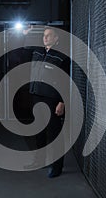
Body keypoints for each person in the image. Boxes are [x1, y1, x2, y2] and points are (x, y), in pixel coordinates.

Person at [25, 27, 70, 178]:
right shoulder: (37, 53)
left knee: (54, 134)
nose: (45, 38)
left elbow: (66, 82)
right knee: (39, 133)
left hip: (52, 100)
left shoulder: (62, 58)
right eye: (44, 35)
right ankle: (40, 161)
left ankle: (57, 167)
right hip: (36, 97)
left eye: (49, 35)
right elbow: (24, 50)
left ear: (56, 38)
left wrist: (62, 102)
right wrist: (26, 35)